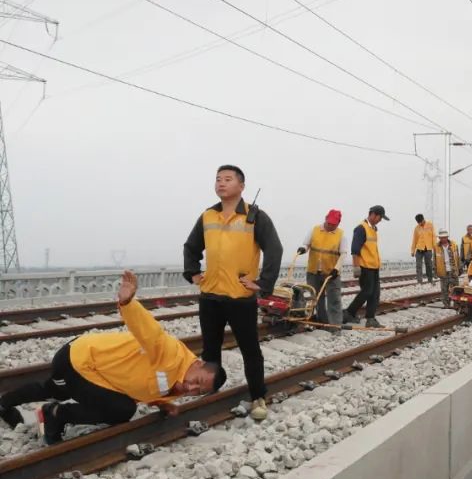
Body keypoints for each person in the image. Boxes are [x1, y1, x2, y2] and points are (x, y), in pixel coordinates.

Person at [0, 270, 226, 444]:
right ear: (198, 364)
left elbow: (144, 383)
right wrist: (128, 303)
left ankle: (4, 404)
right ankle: (55, 414)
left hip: (94, 372)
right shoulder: (169, 352)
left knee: (52, 389)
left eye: (199, 391)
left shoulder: (180, 381)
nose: (193, 389)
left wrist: (161, 403)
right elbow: (147, 329)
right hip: (78, 361)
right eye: (198, 382)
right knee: (122, 409)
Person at [183, 164, 282, 421]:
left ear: (241, 186)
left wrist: (263, 283)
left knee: (250, 350)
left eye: (227, 179)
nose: (221, 183)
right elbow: (191, 246)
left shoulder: (255, 216)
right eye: (217, 179)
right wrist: (192, 272)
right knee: (210, 349)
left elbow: (275, 249)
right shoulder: (207, 216)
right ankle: (211, 389)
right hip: (210, 296)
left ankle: (258, 395)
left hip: (240, 298)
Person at [296, 209, 344, 327]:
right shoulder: (315, 230)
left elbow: (343, 254)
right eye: (329, 223)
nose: (330, 226)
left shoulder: (341, 235)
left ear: (338, 223)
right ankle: (322, 322)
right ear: (325, 219)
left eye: (333, 224)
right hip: (313, 271)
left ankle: (335, 326)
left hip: (332, 273)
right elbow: (306, 244)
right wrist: (303, 248)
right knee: (316, 299)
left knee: (334, 300)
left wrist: (336, 269)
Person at [344, 205, 389, 327]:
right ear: (373, 214)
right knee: (367, 292)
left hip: (374, 267)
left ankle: (370, 319)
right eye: (380, 217)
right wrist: (356, 267)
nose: (380, 220)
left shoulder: (373, 229)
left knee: (375, 293)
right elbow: (355, 250)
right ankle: (349, 312)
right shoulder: (361, 228)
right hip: (365, 267)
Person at [434, 229, 461, 308]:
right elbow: (434, 260)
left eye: (444, 237)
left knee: (456, 289)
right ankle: (446, 304)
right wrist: (435, 271)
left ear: (447, 237)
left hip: (453, 271)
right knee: (444, 290)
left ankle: (457, 304)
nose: (443, 239)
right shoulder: (436, 247)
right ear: (439, 238)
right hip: (443, 272)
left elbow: (458, 258)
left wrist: (459, 268)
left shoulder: (454, 245)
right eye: (441, 237)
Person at [411, 214, 436, 284]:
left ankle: (430, 280)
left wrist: (435, 247)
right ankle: (419, 281)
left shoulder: (430, 225)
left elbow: (433, 237)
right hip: (419, 250)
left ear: (423, 219)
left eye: (420, 222)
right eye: (418, 222)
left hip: (428, 249)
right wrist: (413, 251)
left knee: (429, 265)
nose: (419, 223)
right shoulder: (416, 228)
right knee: (418, 266)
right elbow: (414, 240)